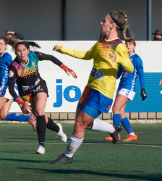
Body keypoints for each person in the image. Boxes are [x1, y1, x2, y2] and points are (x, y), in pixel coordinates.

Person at [51, 11, 134, 164]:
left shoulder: (119, 47)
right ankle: (112, 130)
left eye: (104, 21)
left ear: (112, 25)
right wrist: (63, 49)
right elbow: (85, 55)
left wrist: (121, 58)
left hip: (102, 92)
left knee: (80, 124)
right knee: (82, 123)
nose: (101, 23)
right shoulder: (101, 41)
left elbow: (130, 68)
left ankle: (68, 156)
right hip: (89, 87)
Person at [8, 40, 76, 154]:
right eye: (19, 51)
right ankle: (58, 129)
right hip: (25, 94)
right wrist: (19, 101)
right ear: (16, 53)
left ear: (28, 50)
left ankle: (41, 146)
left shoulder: (34, 56)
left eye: (24, 50)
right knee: (42, 118)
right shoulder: (14, 67)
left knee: (40, 111)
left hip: (39, 86)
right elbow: (10, 88)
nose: (22, 53)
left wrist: (63, 66)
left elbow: (51, 57)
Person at [0, 36, 36, 143]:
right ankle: (29, 118)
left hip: (6, 88)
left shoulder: (7, 57)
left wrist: (19, 80)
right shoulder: (0, 59)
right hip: (7, 89)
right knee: (3, 115)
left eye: (1, 44)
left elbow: (16, 68)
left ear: (6, 46)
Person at [104, 39, 146, 142]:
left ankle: (116, 134)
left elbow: (141, 74)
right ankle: (132, 134)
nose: (128, 46)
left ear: (134, 46)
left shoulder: (137, 59)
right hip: (121, 86)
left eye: (130, 44)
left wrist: (143, 89)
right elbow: (118, 75)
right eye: (126, 44)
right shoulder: (123, 59)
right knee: (121, 112)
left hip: (129, 87)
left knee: (115, 108)